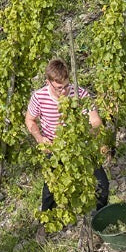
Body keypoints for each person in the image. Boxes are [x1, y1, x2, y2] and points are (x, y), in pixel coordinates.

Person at [25, 59, 109, 230]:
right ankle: (44, 224)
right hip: (54, 150)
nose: (64, 91)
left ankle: (102, 219)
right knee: (50, 191)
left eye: (66, 86)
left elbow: (95, 121)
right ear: (48, 82)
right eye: (59, 88)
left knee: (102, 185)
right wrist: (40, 139)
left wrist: (89, 133)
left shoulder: (80, 94)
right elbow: (30, 120)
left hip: (80, 148)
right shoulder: (39, 97)